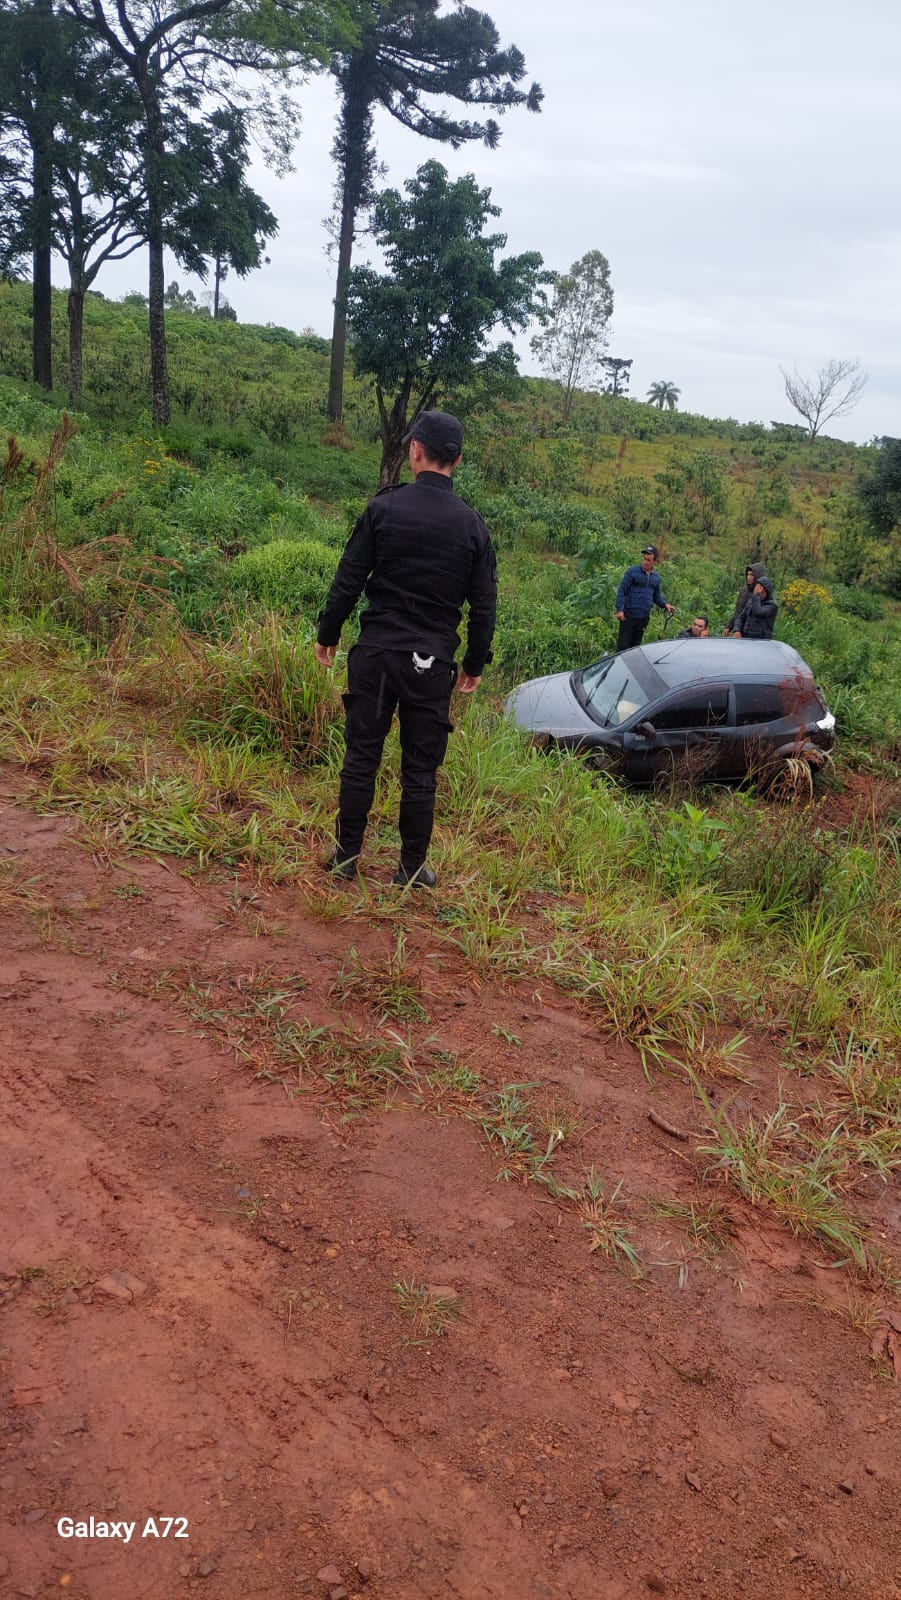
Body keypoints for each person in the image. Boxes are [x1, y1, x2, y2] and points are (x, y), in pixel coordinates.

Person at [314, 410, 497, 888]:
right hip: (431, 664)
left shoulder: (384, 508)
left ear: (415, 450)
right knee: (420, 768)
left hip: (376, 655)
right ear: (457, 459)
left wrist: (328, 633)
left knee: (361, 756)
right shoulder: (473, 526)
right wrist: (474, 663)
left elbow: (348, 578)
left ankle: (345, 858)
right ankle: (411, 868)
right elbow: (484, 605)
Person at [614, 545, 675, 651]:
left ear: (654, 561)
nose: (645, 562)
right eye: (644, 559)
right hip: (628, 615)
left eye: (648, 560)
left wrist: (665, 604)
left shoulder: (655, 577)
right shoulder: (632, 572)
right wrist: (619, 610)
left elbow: (656, 598)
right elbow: (621, 590)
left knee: (635, 647)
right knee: (623, 647)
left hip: (643, 618)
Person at [724, 562, 767, 635]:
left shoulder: (764, 594)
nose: (749, 577)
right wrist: (729, 626)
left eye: (752, 575)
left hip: (753, 635)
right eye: (748, 574)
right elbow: (738, 612)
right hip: (739, 632)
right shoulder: (744, 590)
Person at [733, 574, 778, 639]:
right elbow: (741, 618)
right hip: (745, 640)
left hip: (761, 643)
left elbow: (758, 612)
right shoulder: (751, 602)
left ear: (767, 592)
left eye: (762, 592)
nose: (759, 593)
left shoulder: (772, 606)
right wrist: (737, 630)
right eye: (757, 590)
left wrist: (756, 595)